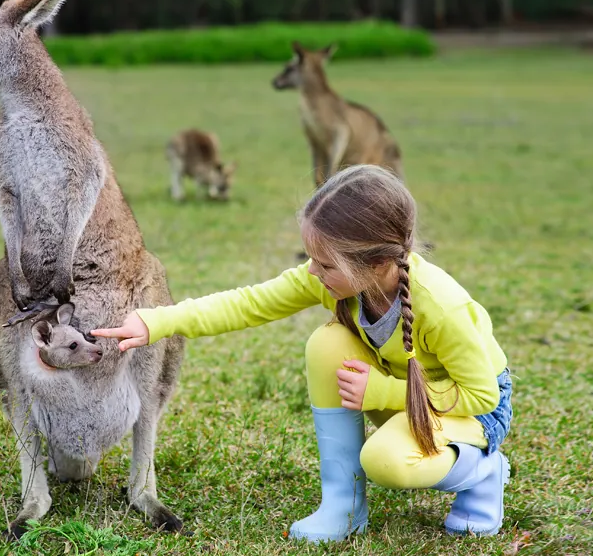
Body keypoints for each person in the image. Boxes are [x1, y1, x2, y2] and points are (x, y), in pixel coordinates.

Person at [92, 164, 513, 542]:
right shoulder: (337, 278)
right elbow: (248, 303)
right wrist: (156, 322)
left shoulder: (441, 307)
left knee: (386, 461)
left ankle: (482, 474)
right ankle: (343, 506)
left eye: (325, 264)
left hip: (472, 412)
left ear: (379, 262)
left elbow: (481, 398)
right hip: (401, 393)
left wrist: (384, 392)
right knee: (326, 343)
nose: (313, 272)